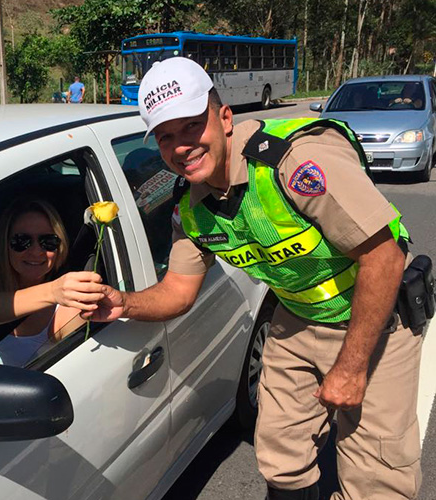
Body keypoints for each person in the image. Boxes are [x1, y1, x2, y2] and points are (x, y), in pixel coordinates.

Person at [75, 57, 422, 500]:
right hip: (296, 318)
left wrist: (351, 369)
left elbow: (384, 256)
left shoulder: (295, 161)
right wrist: (121, 302)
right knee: (281, 455)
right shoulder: (193, 206)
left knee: (378, 479)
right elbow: (178, 291)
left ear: (224, 118)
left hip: (373, 321)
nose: (181, 146)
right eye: (166, 136)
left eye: (191, 126)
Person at [0, 199, 98, 366]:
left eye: (48, 241)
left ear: (60, 245)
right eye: (22, 241)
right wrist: (53, 291)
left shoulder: (66, 302)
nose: (36, 251)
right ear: (5, 243)